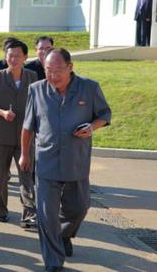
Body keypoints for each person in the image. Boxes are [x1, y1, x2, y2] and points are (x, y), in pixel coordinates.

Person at [19, 48, 111, 271]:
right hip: (46, 161)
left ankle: (63, 235)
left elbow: (105, 114)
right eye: (48, 70)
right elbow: (28, 126)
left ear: (70, 67)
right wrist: (24, 154)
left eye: (58, 70)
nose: (53, 75)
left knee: (79, 208)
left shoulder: (89, 88)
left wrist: (92, 126)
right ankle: (53, 262)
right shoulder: (36, 89)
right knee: (46, 215)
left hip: (76, 161)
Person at [0, 40, 37, 226]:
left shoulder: (32, 76)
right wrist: (2, 113)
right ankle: (1, 210)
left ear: (25, 57)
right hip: (3, 134)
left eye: (17, 55)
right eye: (10, 55)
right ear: (5, 56)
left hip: (26, 135)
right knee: (1, 174)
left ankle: (29, 213)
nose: (13, 59)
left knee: (26, 174)